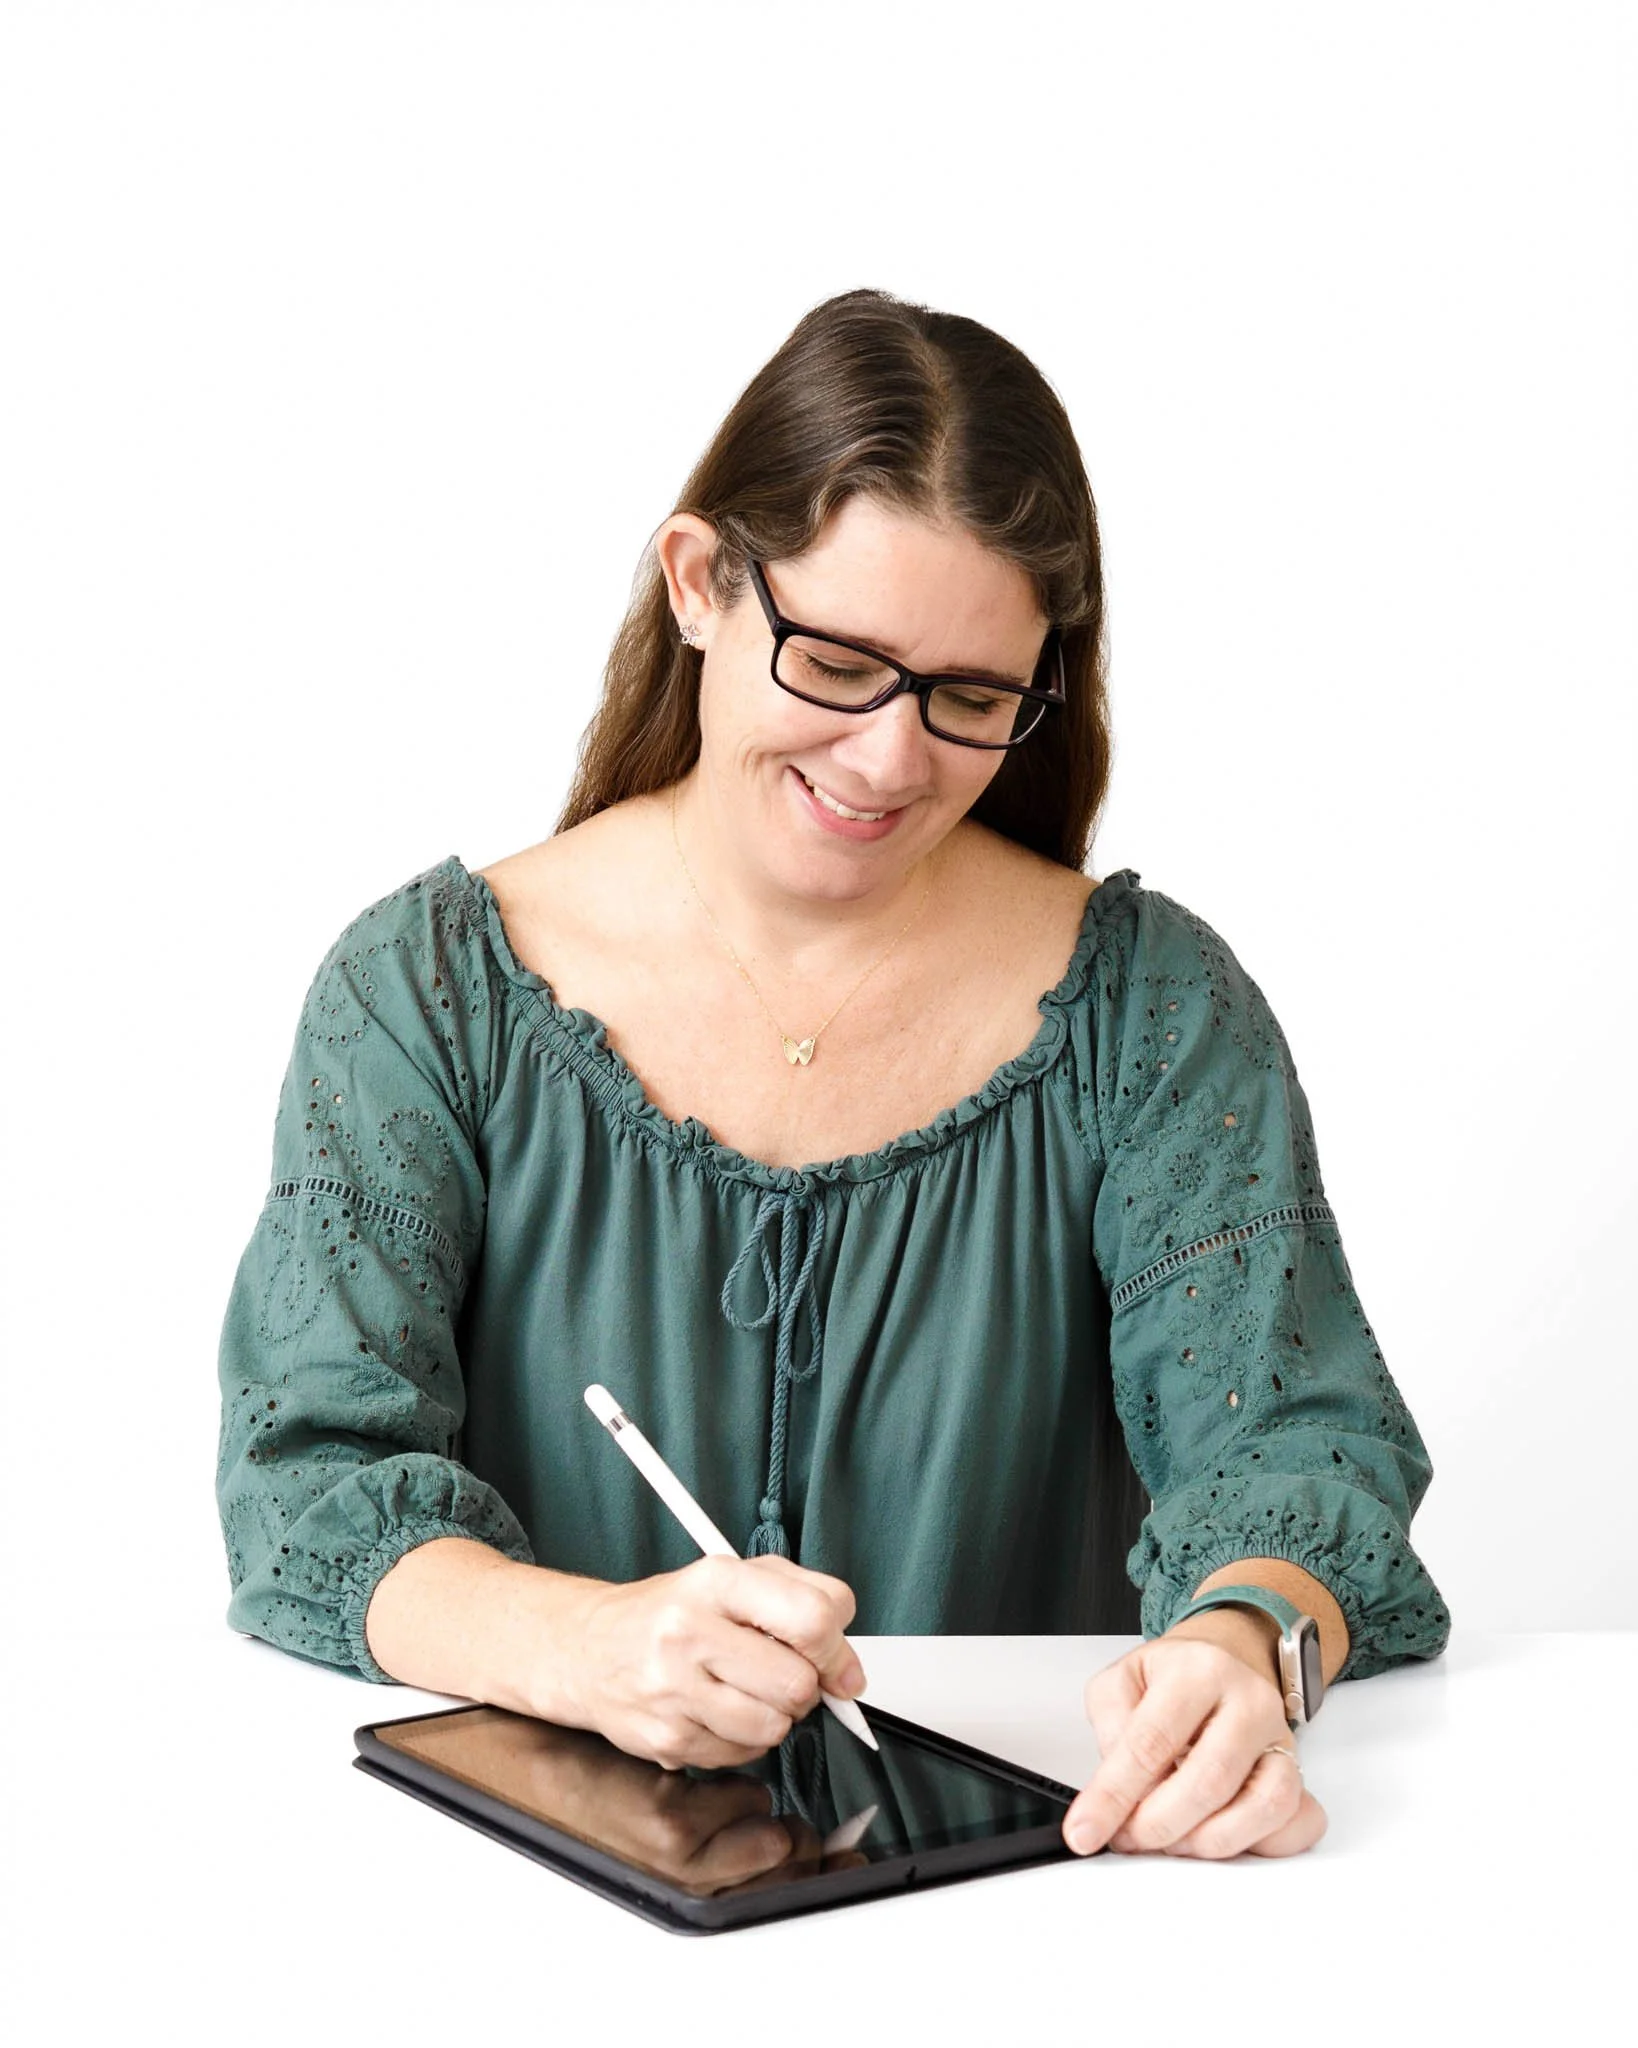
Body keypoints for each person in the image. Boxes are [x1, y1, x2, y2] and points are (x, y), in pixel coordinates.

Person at [216, 286, 1449, 1866]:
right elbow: (308, 1481)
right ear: (697, 585)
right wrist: (579, 1647)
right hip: (518, 1907)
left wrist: (1246, 1644)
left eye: (970, 698)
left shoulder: (1153, 1010)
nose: (888, 761)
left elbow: (1292, 1448)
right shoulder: (425, 993)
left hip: (1034, 1896)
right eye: (839, 662)